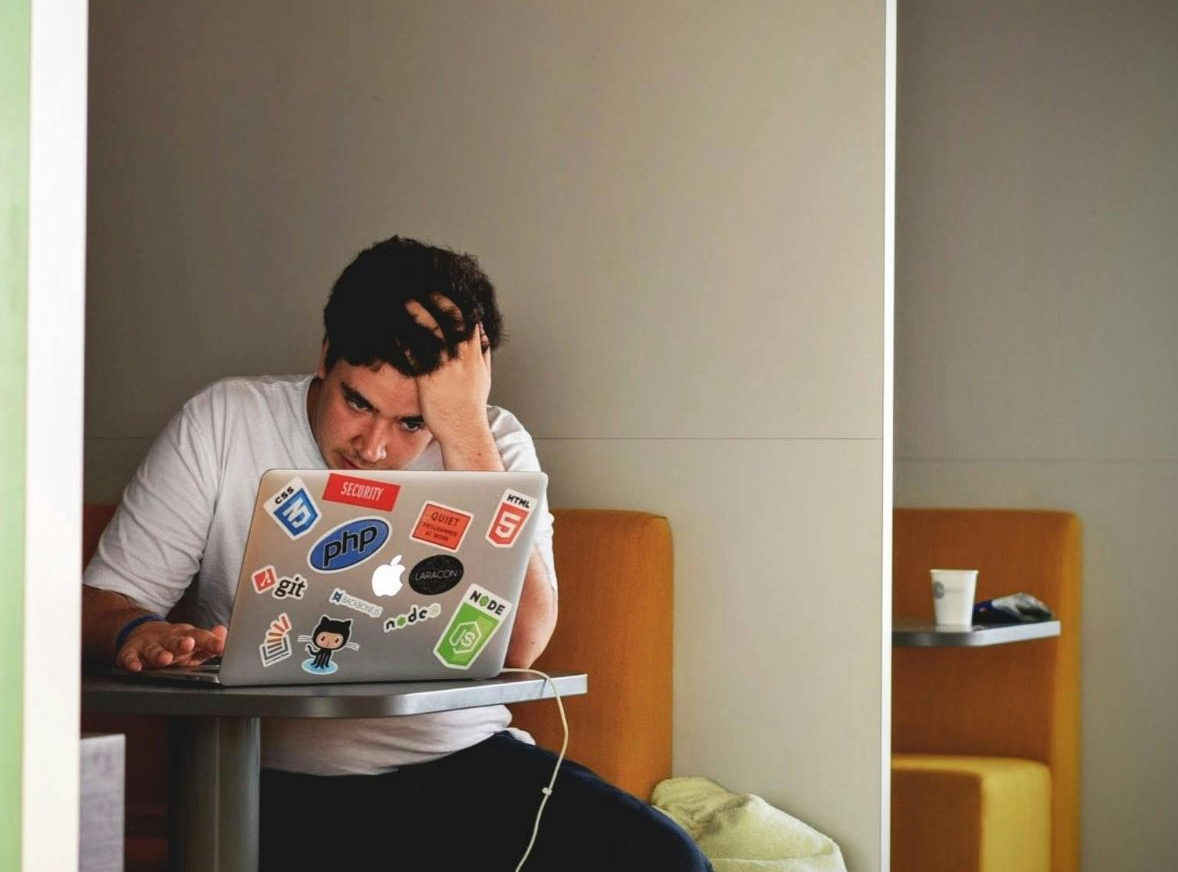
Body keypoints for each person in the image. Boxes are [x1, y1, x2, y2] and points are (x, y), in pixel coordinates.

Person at [81, 235, 708, 870]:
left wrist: (463, 430)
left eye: (413, 423)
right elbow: (99, 602)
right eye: (357, 402)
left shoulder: (493, 444)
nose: (373, 447)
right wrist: (139, 630)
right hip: (273, 782)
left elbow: (523, 644)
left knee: (668, 862)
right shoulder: (223, 421)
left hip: (463, 762)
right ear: (326, 355)